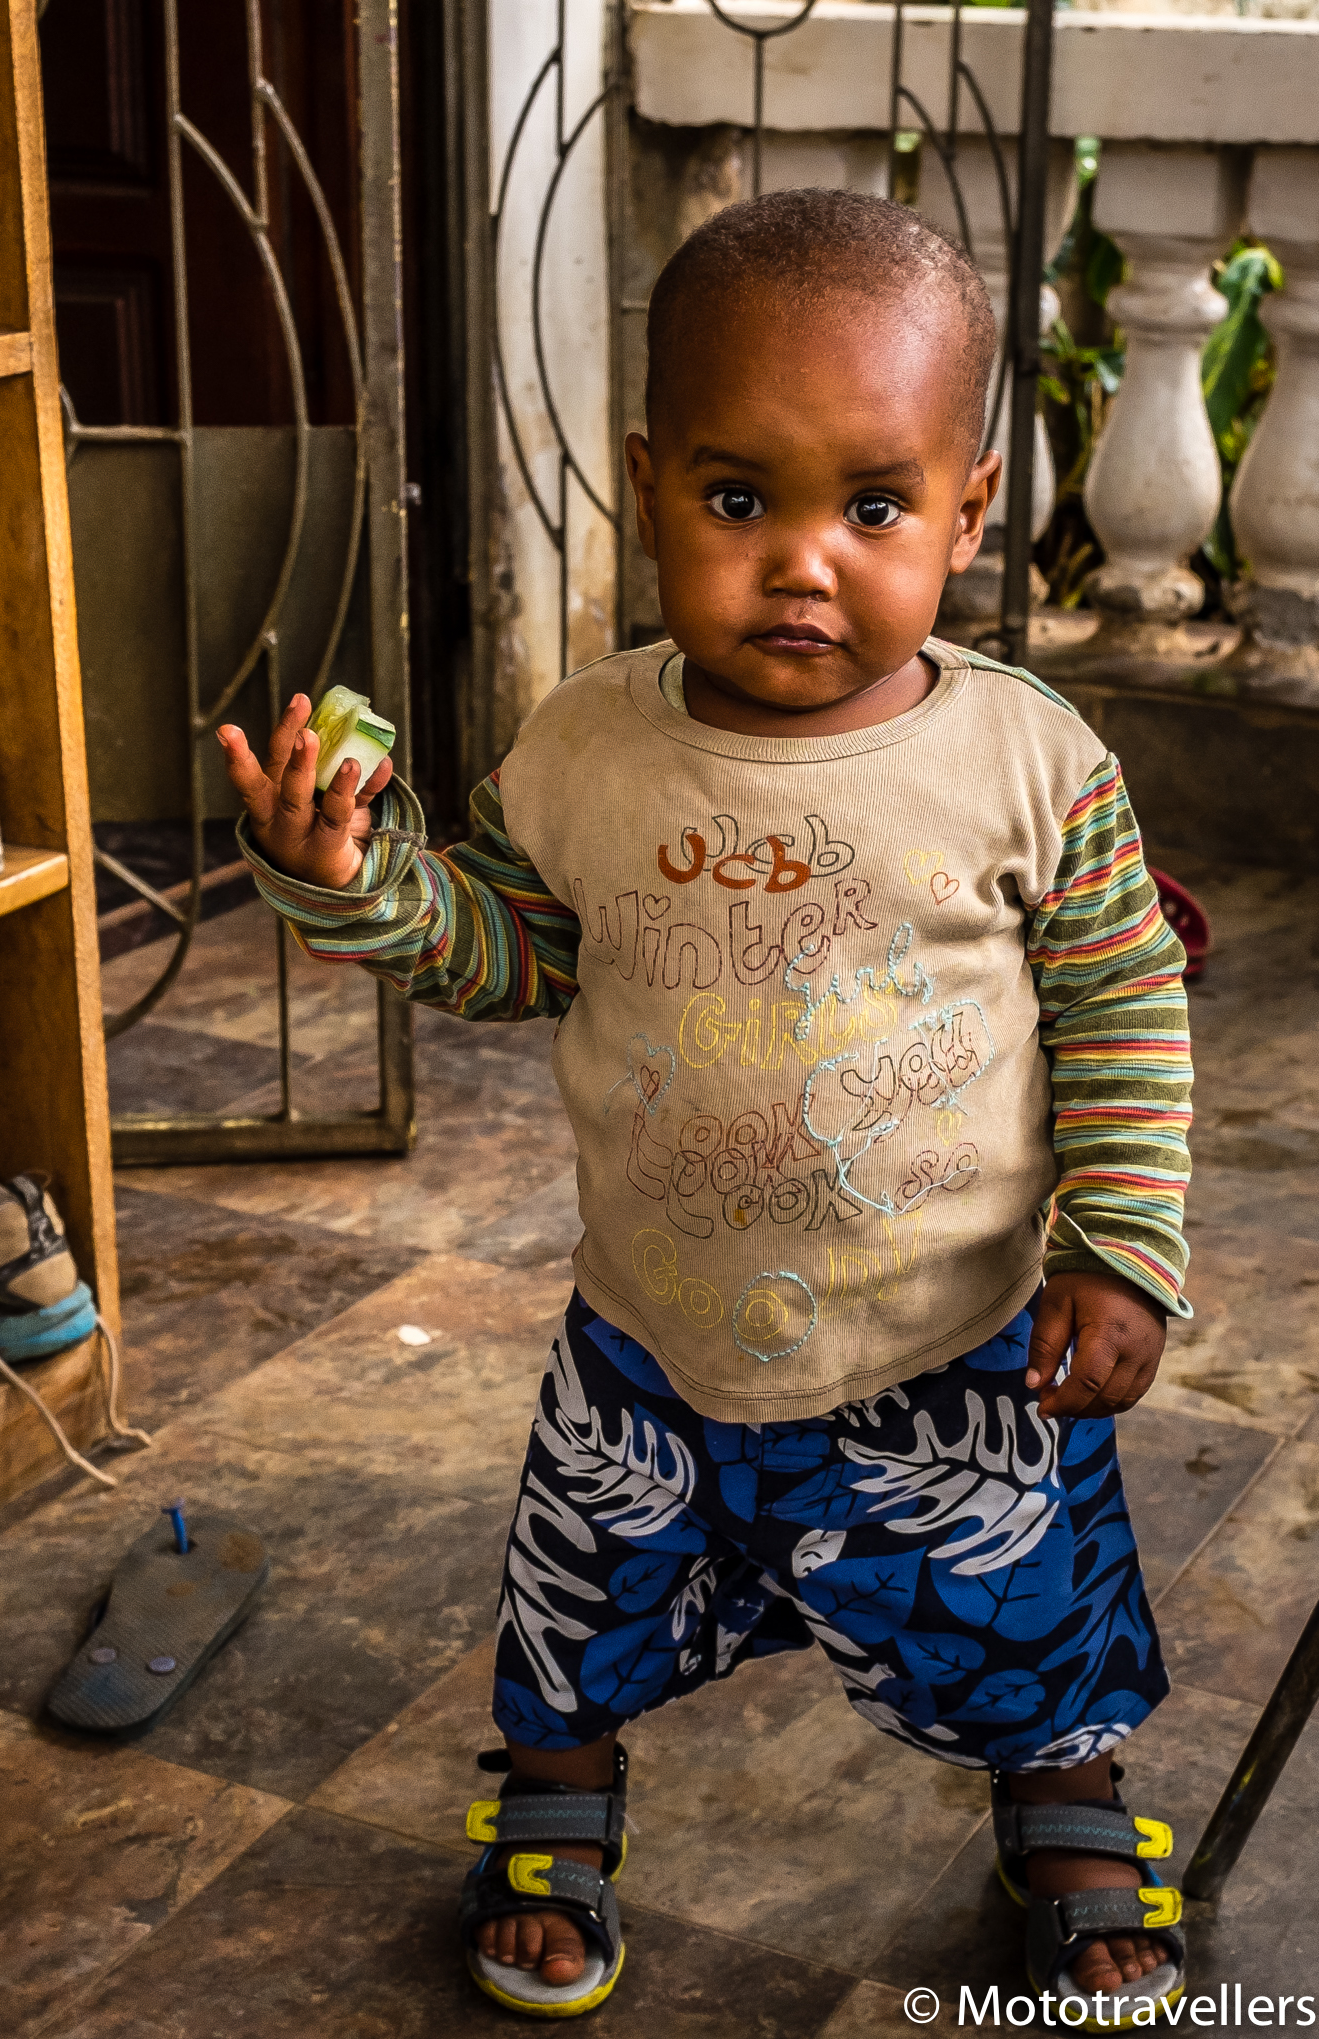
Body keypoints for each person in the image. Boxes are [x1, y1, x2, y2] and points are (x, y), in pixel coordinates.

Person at [217, 189, 1191, 2026]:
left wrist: (1120, 1246)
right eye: (739, 501)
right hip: (651, 1332)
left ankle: (1063, 1806)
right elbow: (509, 952)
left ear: (968, 509)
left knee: (1021, 1603)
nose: (802, 564)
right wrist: (354, 881)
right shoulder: (584, 747)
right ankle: (556, 1800)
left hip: (950, 1335)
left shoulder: (1027, 763)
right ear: (650, 484)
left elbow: (1122, 1006)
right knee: (581, 1596)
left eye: (874, 508)